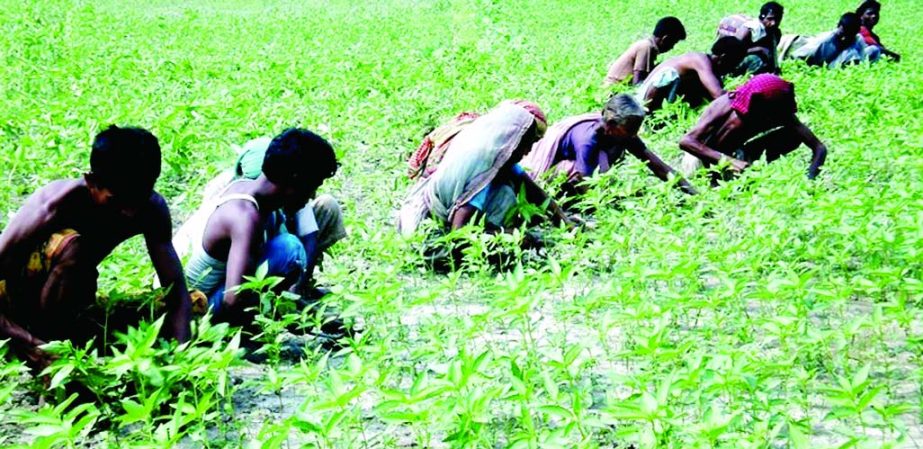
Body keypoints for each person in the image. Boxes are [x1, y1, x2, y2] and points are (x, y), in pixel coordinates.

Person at [0, 126, 192, 371]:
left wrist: (181, 360)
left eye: (138, 200)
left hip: (61, 294)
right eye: (116, 200)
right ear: (91, 181)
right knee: (74, 249)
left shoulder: (151, 209)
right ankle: (47, 343)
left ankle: (58, 337)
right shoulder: (53, 207)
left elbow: (176, 292)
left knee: (194, 304)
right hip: (9, 299)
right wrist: (28, 342)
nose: (129, 212)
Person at [180, 128, 343, 326]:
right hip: (194, 313)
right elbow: (233, 299)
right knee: (289, 249)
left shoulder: (256, 194)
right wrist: (295, 324)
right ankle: (249, 334)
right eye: (312, 186)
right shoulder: (245, 217)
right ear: (294, 179)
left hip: (207, 297)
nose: (312, 196)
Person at [398, 100, 567, 238]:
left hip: (446, 208)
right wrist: (513, 235)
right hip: (433, 222)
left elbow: (533, 191)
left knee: (510, 189)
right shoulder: (483, 172)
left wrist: (564, 221)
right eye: (526, 145)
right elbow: (459, 233)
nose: (528, 152)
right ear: (511, 142)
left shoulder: (498, 157)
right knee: (504, 195)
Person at [522, 94, 696, 197]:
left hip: (583, 171)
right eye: (630, 129)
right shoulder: (588, 139)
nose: (634, 134)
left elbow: (657, 165)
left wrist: (691, 191)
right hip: (548, 173)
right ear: (612, 124)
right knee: (577, 171)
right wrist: (619, 197)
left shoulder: (623, 132)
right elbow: (586, 183)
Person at [678, 74, 828, 183]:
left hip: (736, 155)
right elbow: (686, 142)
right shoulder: (724, 105)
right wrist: (728, 161)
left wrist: (811, 178)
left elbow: (819, 148)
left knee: (792, 135)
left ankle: (744, 167)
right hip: (701, 158)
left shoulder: (775, 109)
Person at [637, 36, 748, 113]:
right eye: (734, 63)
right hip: (644, 103)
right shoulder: (700, 60)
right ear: (723, 57)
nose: (732, 68)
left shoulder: (708, 67)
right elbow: (718, 94)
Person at [603, 17, 687, 86]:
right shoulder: (646, 47)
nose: (672, 47)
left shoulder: (647, 46)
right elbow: (637, 83)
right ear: (665, 39)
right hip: (614, 89)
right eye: (673, 43)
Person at [779, 12, 880, 68]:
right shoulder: (826, 40)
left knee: (874, 50)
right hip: (826, 63)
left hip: (840, 61)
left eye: (849, 34)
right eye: (842, 32)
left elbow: (862, 55)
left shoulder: (857, 39)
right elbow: (797, 56)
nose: (844, 37)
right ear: (839, 27)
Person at [716, 2, 785, 75]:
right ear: (762, 16)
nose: (774, 23)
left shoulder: (775, 33)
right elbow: (732, 52)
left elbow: (771, 53)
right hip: (733, 61)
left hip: (751, 57)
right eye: (770, 19)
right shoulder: (749, 29)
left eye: (777, 19)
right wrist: (759, 49)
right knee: (756, 61)